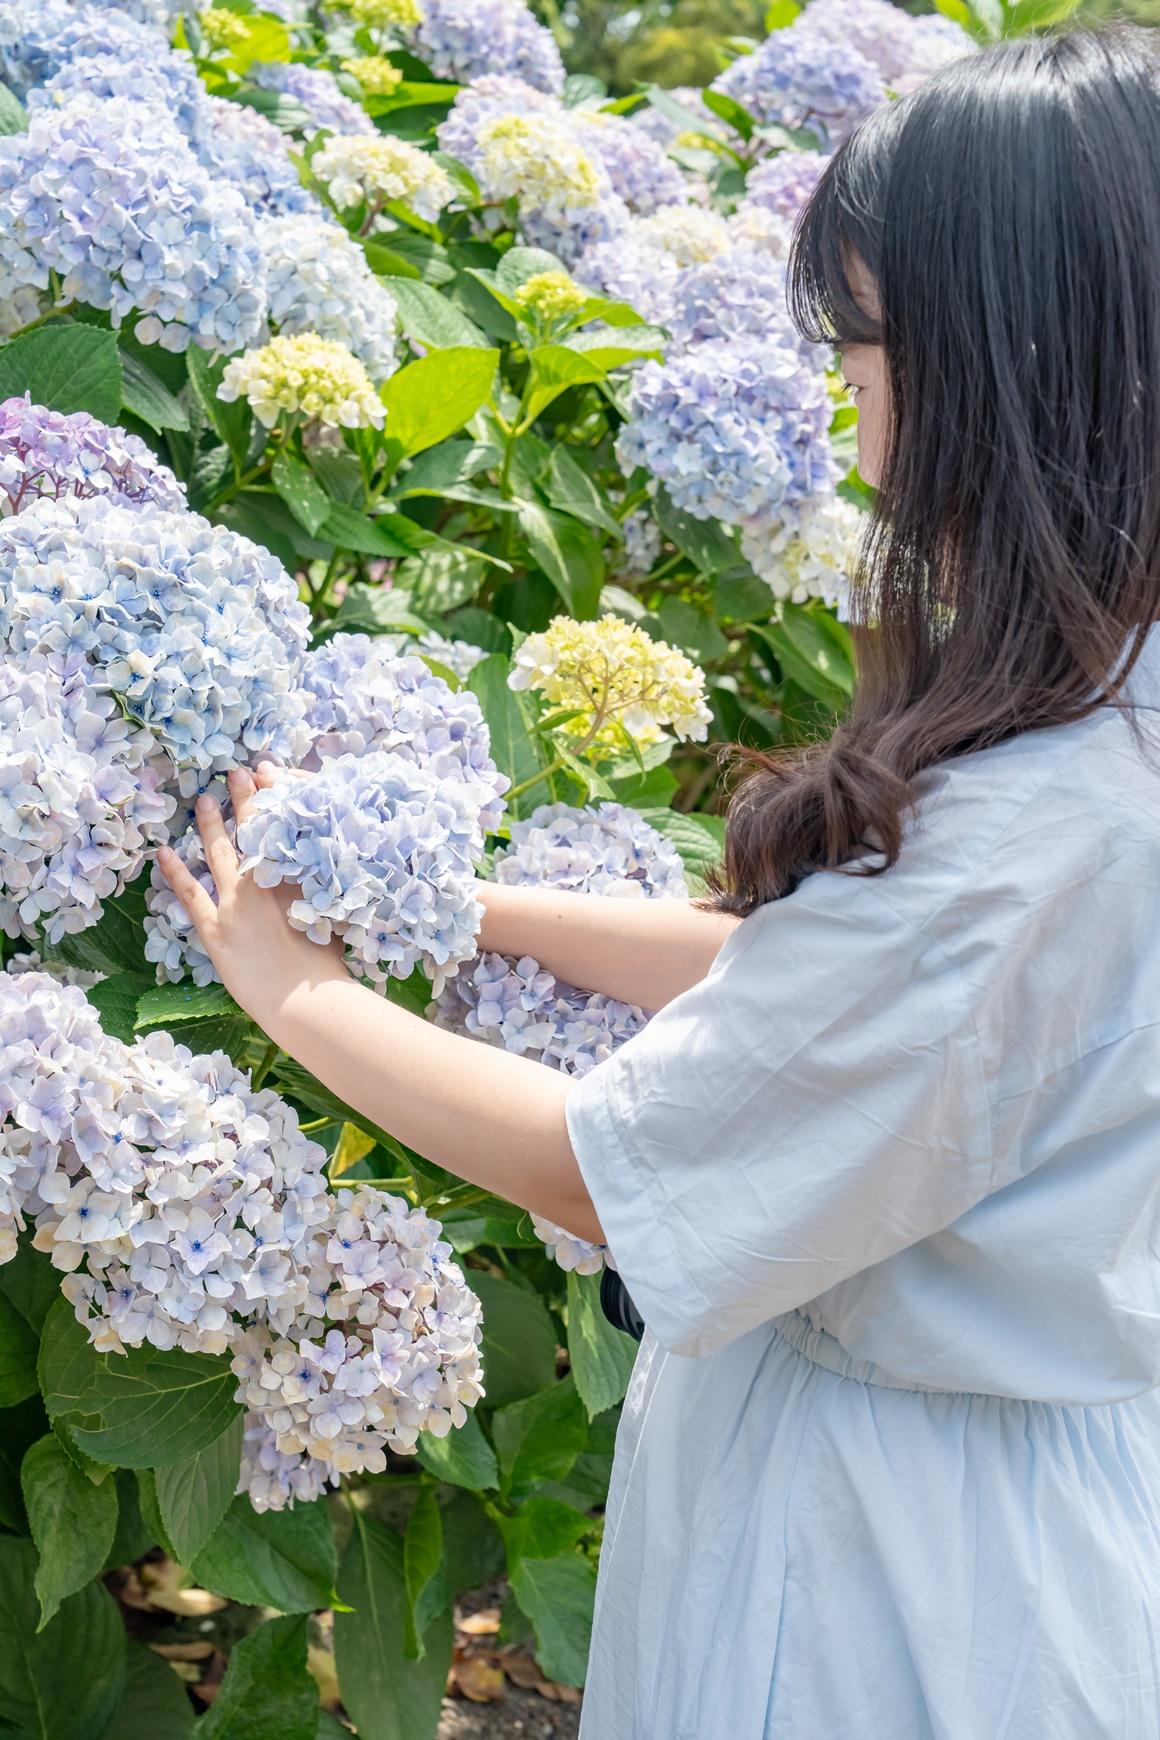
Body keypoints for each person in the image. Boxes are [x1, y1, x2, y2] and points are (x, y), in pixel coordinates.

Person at [158, 25, 1160, 1738]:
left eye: (862, 365)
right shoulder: (1109, 728)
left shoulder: (1036, 837)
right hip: (1024, 1491)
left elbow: (608, 1174)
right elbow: (825, 1006)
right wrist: (459, 905)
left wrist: (285, 981)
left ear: (1007, 366)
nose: (854, 441)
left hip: (884, 1574)